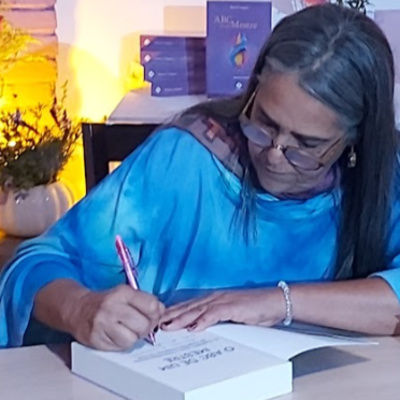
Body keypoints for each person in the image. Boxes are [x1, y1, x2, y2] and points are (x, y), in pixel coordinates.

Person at [1, 4, 400, 350]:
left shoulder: (381, 178)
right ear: (253, 93)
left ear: (354, 141)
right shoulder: (186, 158)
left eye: (307, 144)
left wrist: (275, 303)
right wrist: (79, 307)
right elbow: (36, 263)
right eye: (264, 123)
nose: (274, 155)